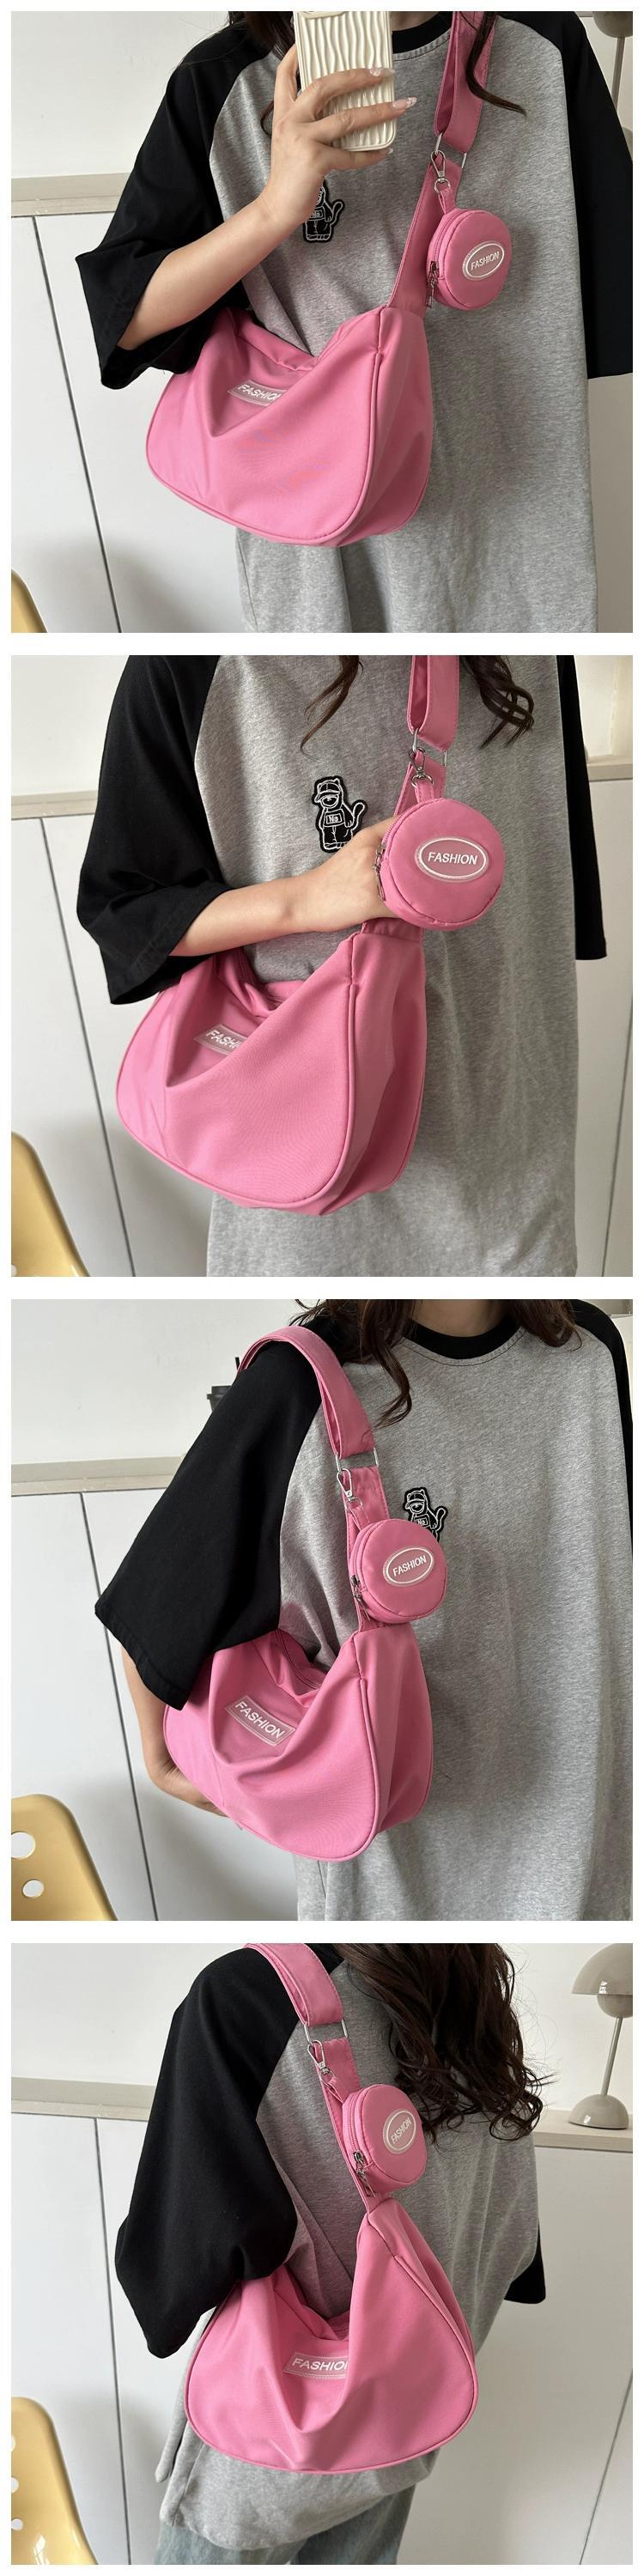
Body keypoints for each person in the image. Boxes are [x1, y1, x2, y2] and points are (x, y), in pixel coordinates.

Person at [76, 12, 632, 636]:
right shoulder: (226, 77)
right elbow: (128, 320)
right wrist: (274, 208)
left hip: (517, 545)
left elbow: (611, 301)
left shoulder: (544, 45)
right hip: (323, 561)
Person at [95, 1297, 633, 1921]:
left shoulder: (592, 1350)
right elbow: (156, 1605)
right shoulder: (301, 1384)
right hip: (404, 1888)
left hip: (592, 1862)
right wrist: (163, 1762)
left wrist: (165, 1764)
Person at [76, 652, 605, 1276]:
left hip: (511, 1151)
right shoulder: (196, 664)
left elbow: (552, 889)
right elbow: (125, 909)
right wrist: (305, 900)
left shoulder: (534, 656)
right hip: (300, 1164)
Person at [115, 1940, 545, 2563]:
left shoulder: (251, 1995)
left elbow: (172, 2276)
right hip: (404, 2420)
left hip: (270, 2454)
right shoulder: (477, 2001)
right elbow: (514, 2236)